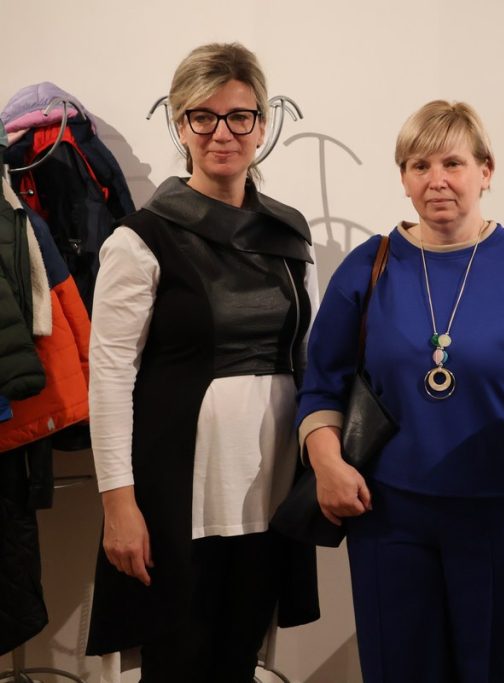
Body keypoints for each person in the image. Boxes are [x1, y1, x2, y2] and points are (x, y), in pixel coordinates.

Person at [296, 100, 504, 682]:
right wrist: (327, 464)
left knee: (496, 670)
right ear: (404, 178)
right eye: (419, 165)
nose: (436, 180)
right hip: (387, 517)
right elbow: (321, 386)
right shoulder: (368, 268)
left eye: (452, 163)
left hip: (498, 518)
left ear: (486, 171)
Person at [85, 43, 319, 681]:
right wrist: (118, 506)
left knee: (238, 663)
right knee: (177, 665)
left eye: (239, 116)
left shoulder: (289, 235)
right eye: (203, 116)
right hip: (178, 498)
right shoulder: (141, 239)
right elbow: (109, 383)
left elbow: (308, 359)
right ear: (180, 125)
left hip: (270, 490)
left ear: (262, 125)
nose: (223, 133)